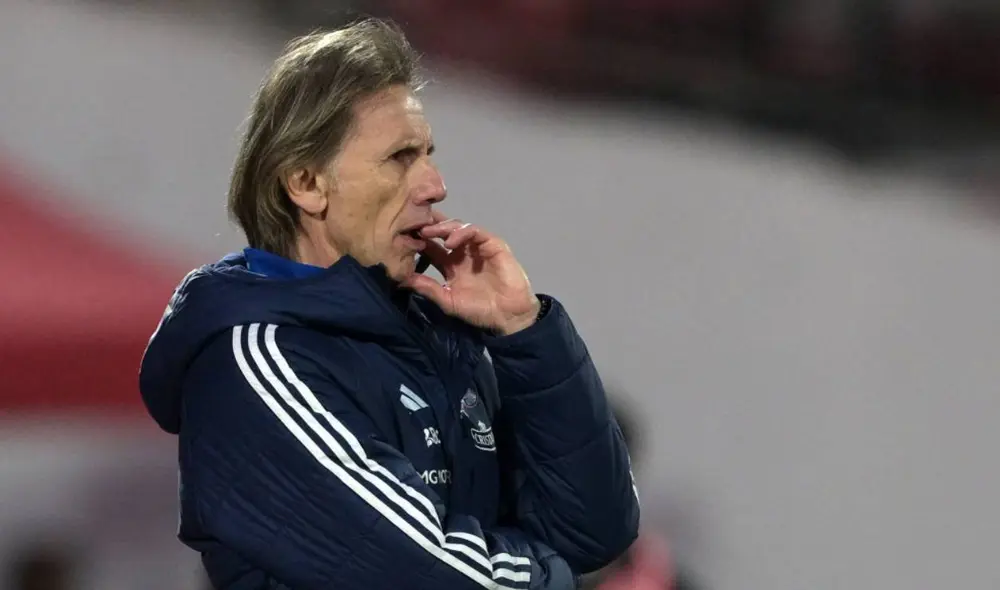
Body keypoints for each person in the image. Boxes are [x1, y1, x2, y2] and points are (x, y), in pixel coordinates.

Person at [139, 18, 640, 590]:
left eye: (428, 154)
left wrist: (525, 332)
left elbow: (598, 533)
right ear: (306, 183)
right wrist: (560, 575)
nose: (435, 184)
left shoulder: (441, 335)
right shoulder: (255, 363)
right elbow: (436, 578)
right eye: (401, 157)